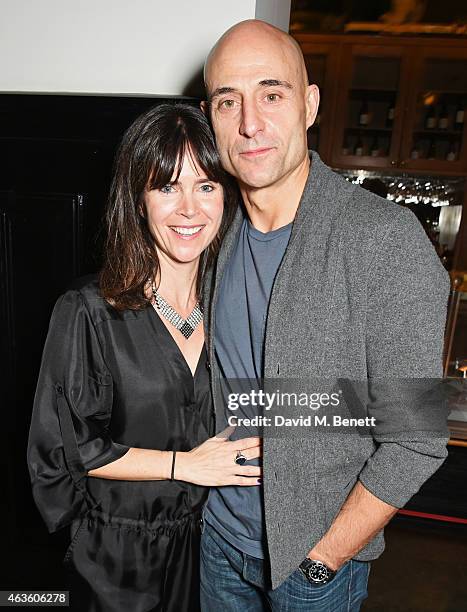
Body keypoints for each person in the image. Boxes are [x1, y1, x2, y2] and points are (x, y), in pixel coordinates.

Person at [199, 19, 450, 611]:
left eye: (271, 93)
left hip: (314, 566)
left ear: (309, 104)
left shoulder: (383, 240)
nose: (250, 123)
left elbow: (415, 438)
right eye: (226, 101)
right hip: (215, 544)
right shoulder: (210, 231)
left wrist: (324, 558)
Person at [27, 103, 262, 612]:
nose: (189, 210)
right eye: (166, 187)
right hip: (116, 559)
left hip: (212, 554)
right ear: (138, 199)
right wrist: (186, 465)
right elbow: (68, 450)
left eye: (205, 186)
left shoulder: (235, 306)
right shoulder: (89, 310)